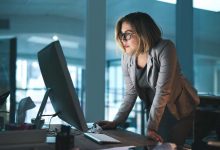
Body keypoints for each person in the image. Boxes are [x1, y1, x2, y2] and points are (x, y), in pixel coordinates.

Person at [97, 12, 200, 147]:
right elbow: (131, 93)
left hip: (178, 108)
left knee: (170, 147)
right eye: (121, 35)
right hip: (154, 109)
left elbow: (163, 91)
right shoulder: (126, 57)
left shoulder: (165, 48)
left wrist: (151, 126)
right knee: (152, 146)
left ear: (142, 32)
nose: (123, 39)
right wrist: (116, 122)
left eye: (127, 34)